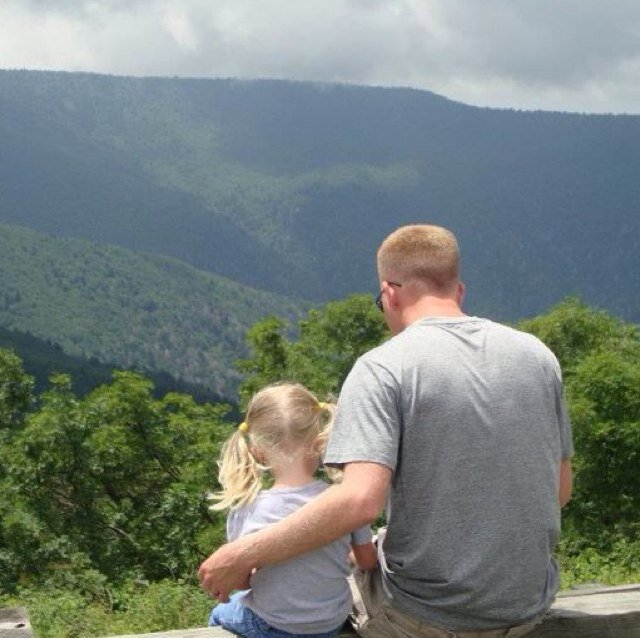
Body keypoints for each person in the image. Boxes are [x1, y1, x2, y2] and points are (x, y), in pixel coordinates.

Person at [200, 224, 574, 638]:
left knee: (323, 590)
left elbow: (360, 501)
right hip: (526, 607)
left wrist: (242, 553)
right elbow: (559, 491)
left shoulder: (383, 368)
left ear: (390, 293)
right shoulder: (538, 356)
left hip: (424, 618)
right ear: (458, 291)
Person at [207, 382, 378, 638]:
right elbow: (368, 561)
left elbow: (240, 580)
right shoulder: (345, 498)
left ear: (257, 451)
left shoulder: (247, 508)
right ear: (320, 442)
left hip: (273, 626)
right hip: (330, 622)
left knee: (219, 613)